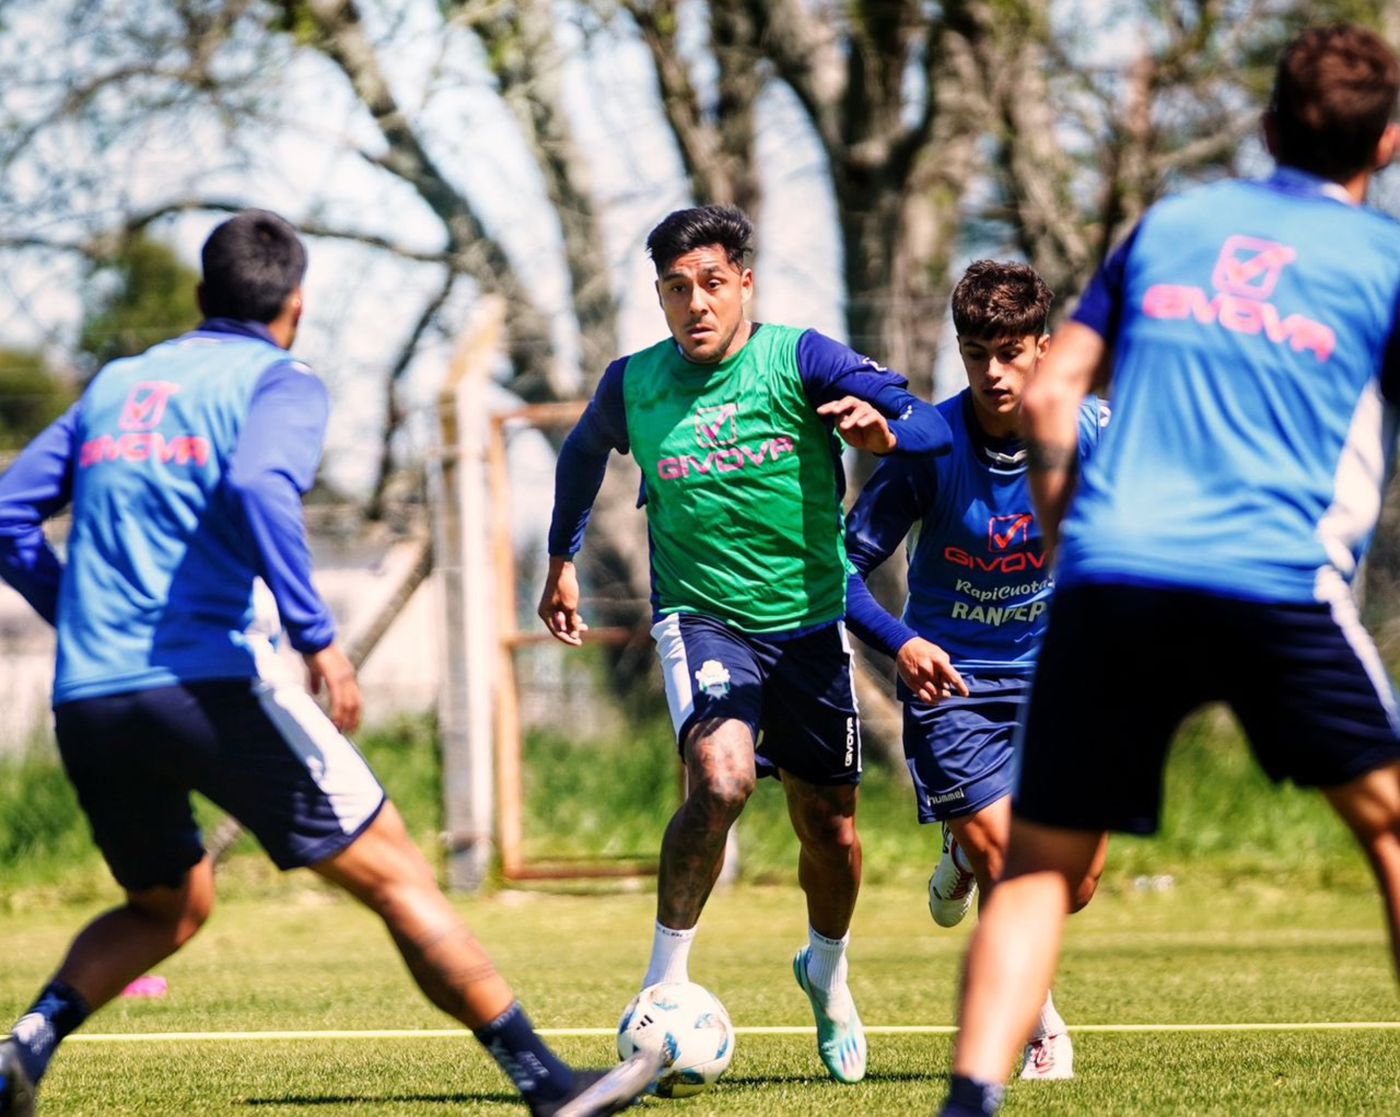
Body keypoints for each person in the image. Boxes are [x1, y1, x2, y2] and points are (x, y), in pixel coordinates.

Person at [0, 210, 659, 1117]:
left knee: (169, 905)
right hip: (210, 683)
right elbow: (259, 484)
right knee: (397, 872)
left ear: (200, 298)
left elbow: (7, 514)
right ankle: (548, 1085)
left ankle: (23, 1045)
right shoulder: (279, 380)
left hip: (91, 699)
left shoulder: (116, 385)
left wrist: (79, 610)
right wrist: (317, 636)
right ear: (295, 306)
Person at [940, 24, 1400, 1117]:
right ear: (1383, 146)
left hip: (1114, 579)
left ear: (1264, 126)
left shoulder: (1171, 225)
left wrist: (1069, 543)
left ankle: (967, 1103)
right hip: (1271, 579)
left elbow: (1053, 398)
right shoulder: (1382, 261)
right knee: (1385, 825)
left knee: (1039, 864)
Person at [538, 204, 952, 1085]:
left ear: (744, 284)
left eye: (712, 284)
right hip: (701, 618)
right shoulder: (632, 382)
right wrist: (560, 556)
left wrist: (884, 433)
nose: (695, 304)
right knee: (721, 780)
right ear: (658, 295)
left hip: (807, 627)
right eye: (676, 288)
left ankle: (827, 974)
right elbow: (580, 452)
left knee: (830, 831)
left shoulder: (800, 358)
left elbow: (932, 427)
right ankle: (663, 984)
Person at [844, 260, 1109, 1082]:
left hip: (1058, 680)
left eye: (1008, 351)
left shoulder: (1094, 433)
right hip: (949, 685)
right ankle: (1040, 1025)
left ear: (1044, 347)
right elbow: (836, 566)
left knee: (1077, 882)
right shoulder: (931, 445)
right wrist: (902, 644)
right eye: (973, 352)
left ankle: (958, 859)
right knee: (1011, 861)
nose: (992, 372)